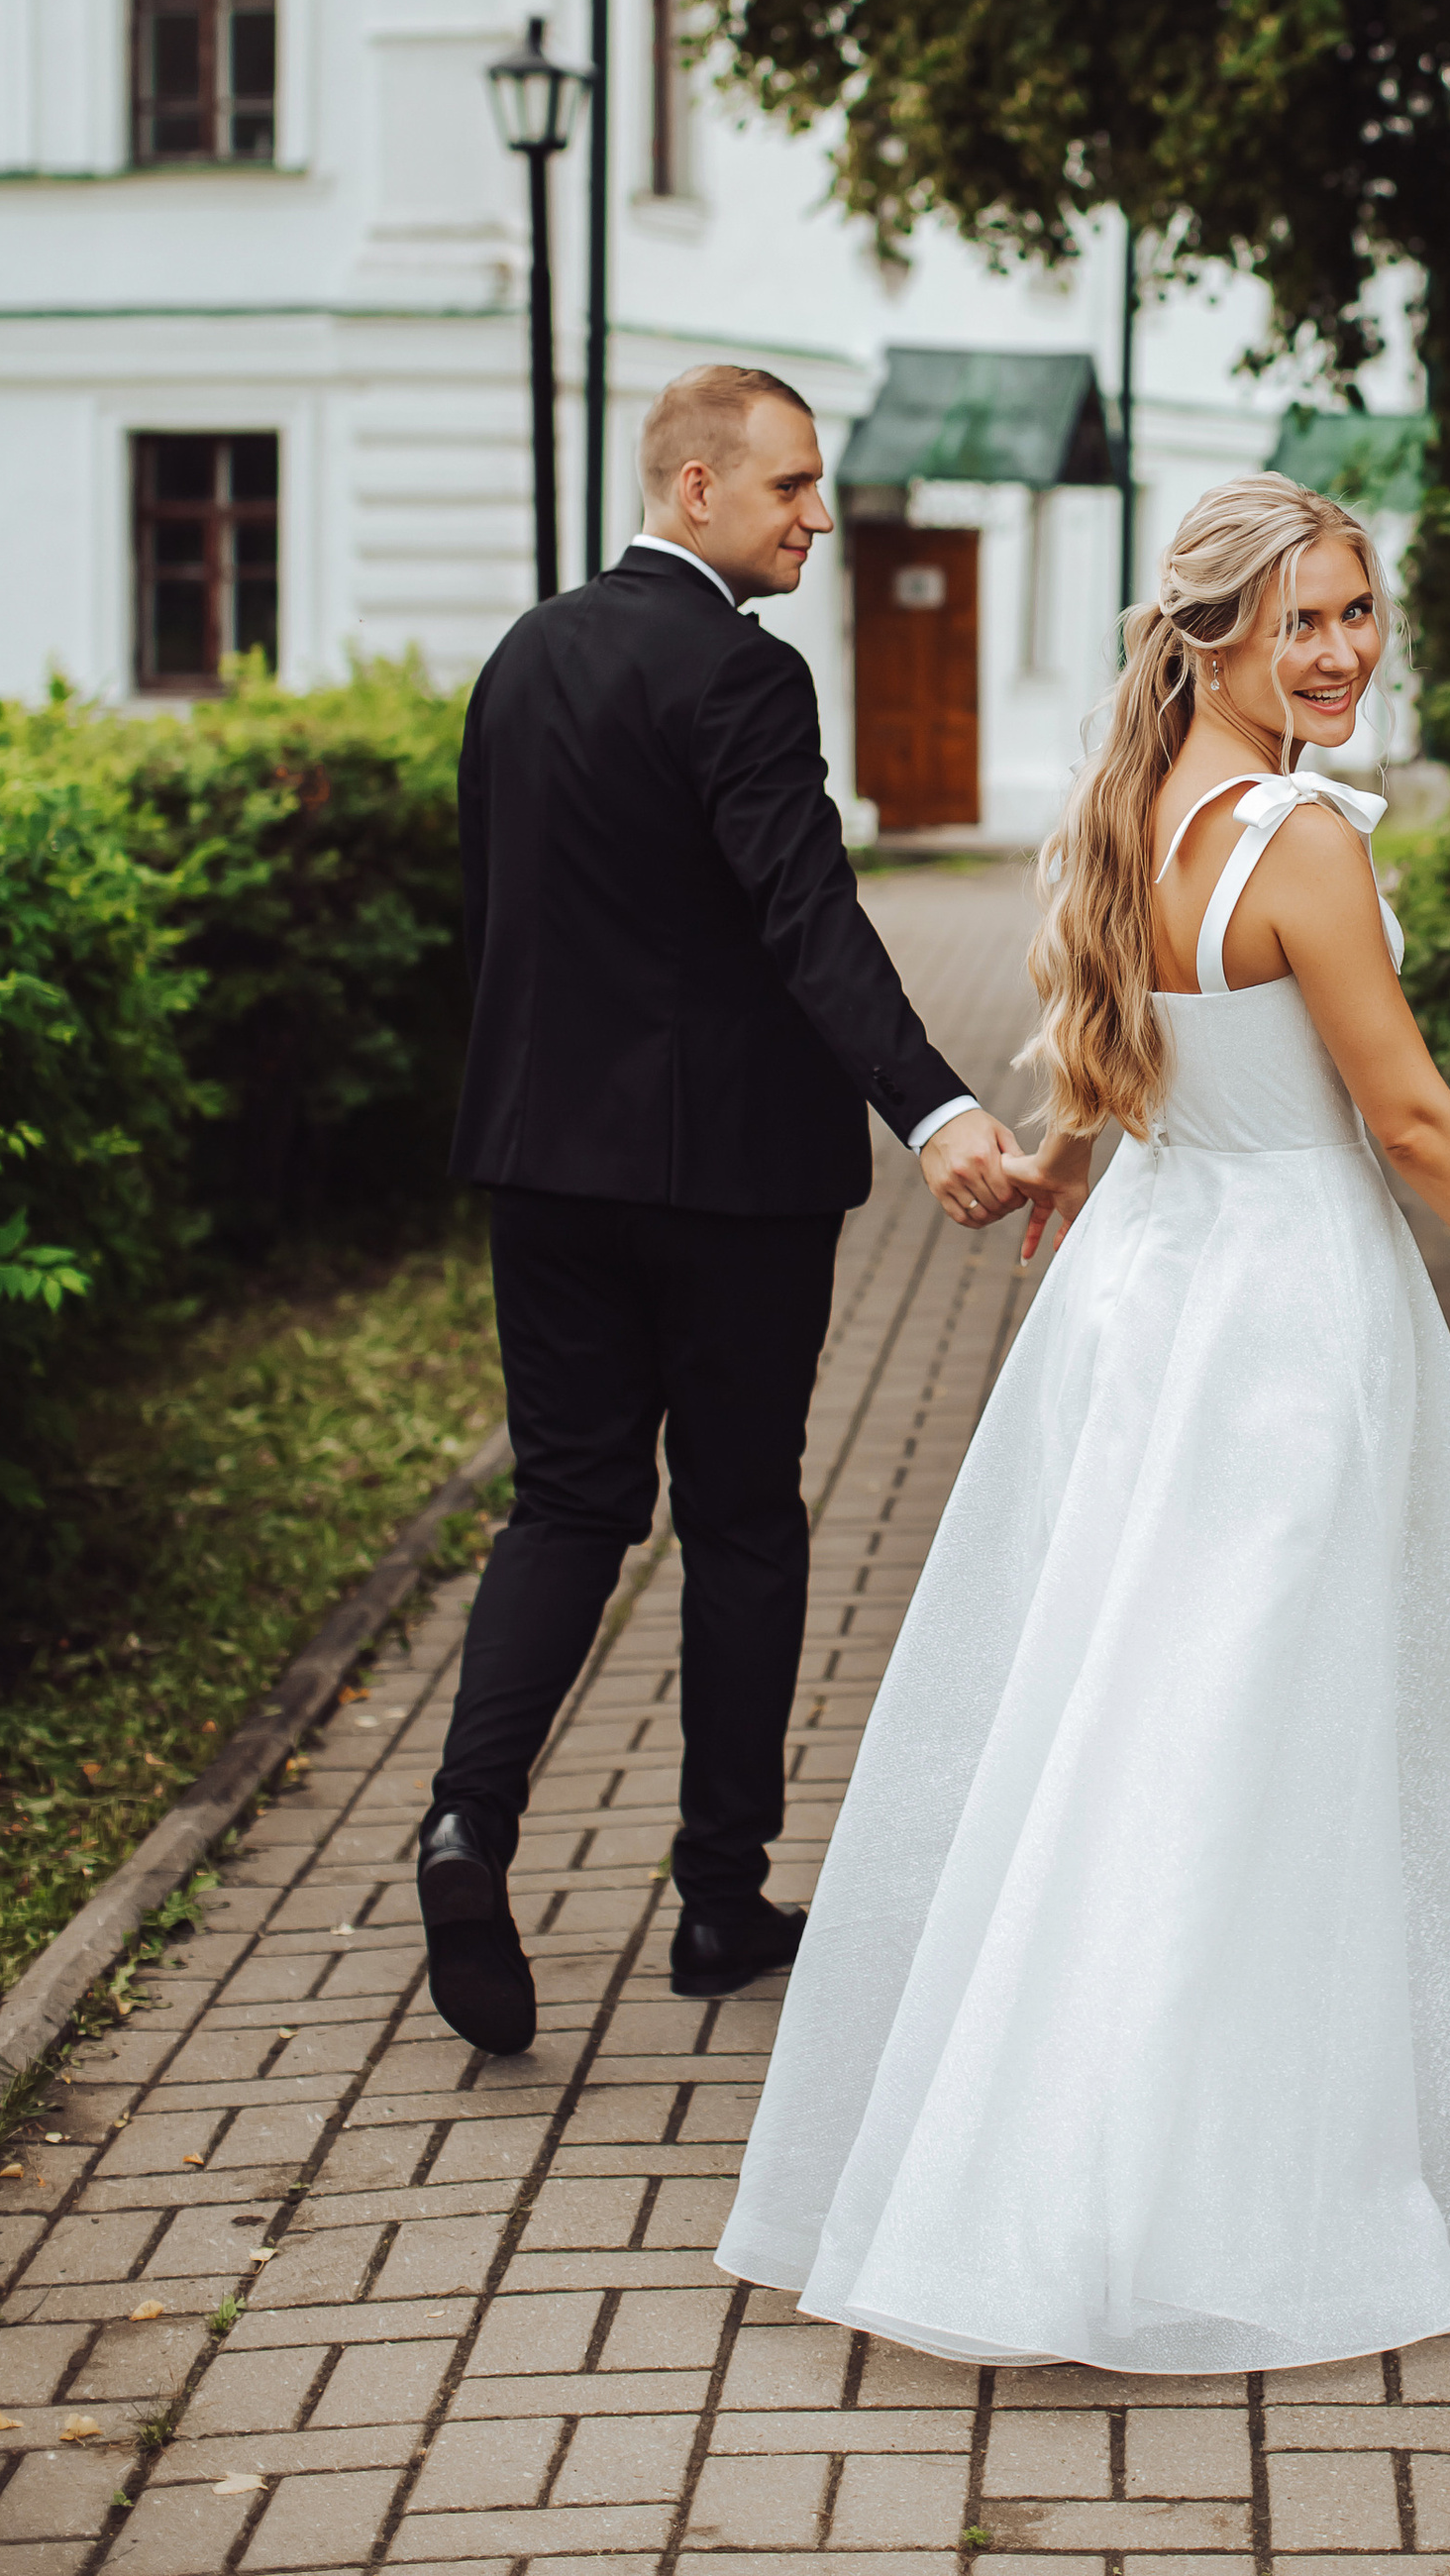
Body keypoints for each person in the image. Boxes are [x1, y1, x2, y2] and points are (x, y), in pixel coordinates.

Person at [717, 470, 1450, 2371]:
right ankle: (1187, 2181)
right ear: (1210, 634)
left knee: (1142, 1709)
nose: (1341, 652)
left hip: (1147, 1298)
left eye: (1358, 613)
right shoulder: (1302, 844)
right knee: (1254, 1721)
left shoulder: (1129, 808)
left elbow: (1124, 1057)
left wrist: (1074, 1180)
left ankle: (1093, 2128)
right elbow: (1409, 1121)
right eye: (1304, 621)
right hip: (1278, 1317)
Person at [418, 361, 1026, 2058]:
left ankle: (466, 1824)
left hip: (541, 1167)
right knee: (744, 1522)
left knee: (569, 1505)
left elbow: (500, 917)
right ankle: (716, 1897)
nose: (817, 516)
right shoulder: (747, 679)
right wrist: (937, 1108)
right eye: (790, 489)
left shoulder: (523, 657)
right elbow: (805, 916)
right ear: (697, 489)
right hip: (732, 1190)